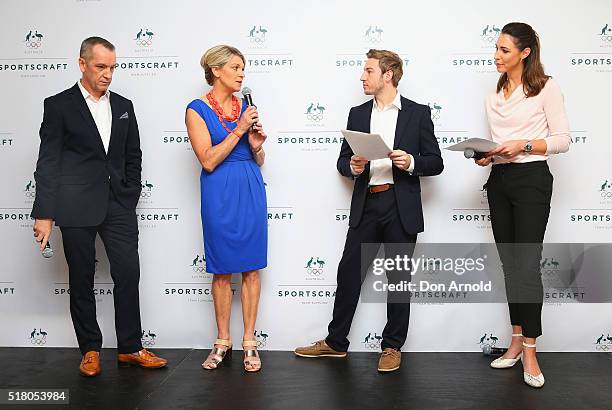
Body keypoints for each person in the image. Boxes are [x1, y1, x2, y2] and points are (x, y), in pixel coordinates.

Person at [294, 49, 443, 372]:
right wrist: (353, 164)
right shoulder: (358, 113)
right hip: (367, 204)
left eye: (369, 71)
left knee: (398, 280)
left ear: (388, 75)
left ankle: (391, 347)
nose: (362, 77)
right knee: (349, 273)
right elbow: (342, 161)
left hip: (399, 205)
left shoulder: (417, 113)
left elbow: (436, 162)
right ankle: (336, 343)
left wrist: (412, 162)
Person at [31, 37, 167, 377]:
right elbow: (47, 162)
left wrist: (130, 192)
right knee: (81, 278)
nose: (108, 74)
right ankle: (90, 349)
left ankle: (130, 347)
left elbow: (133, 155)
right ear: (82, 64)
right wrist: (45, 214)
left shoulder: (123, 105)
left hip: (118, 204)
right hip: (74, 205)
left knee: (128, 272)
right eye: (100, 66)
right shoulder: (58, 105)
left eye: (112, 67)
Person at [475, 22, 570, 388]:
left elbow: (562, 141)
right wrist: (488, 156)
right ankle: (515, 340)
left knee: (527, 265)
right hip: (500, 181)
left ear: (525, 53)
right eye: (496, 49)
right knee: (510, 266)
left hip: (532, 180)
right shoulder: (494, 94)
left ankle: (531, 347)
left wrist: (524, 145)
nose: (496, 56)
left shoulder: (547, 87)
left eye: (504, 50)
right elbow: (500, 146)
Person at [185, 45, 267, 373]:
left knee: (251, 268)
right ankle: (222, 340)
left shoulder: (245, 106)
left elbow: (257, 158)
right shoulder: (196, 109)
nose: (241, 74)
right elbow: (207, 160)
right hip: (218, 189)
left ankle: (249, 341)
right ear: (216, 70)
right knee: (221, 270)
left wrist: (258, 148)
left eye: (243, 69)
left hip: (249, 184)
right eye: (235, 67)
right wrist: (239, 130)